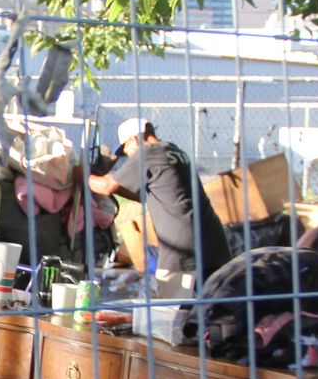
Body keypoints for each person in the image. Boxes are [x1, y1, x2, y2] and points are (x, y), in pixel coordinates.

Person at [87, 117, 230, 299]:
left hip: (182, 250)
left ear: (134, 140)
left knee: (169, 314)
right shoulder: (175, 151)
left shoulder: (147, 154)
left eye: (126, 151)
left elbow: (106, 186)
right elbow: (149, 194)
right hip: (214, 245)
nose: (129, 157)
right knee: (213, 312)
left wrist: (81, 174)